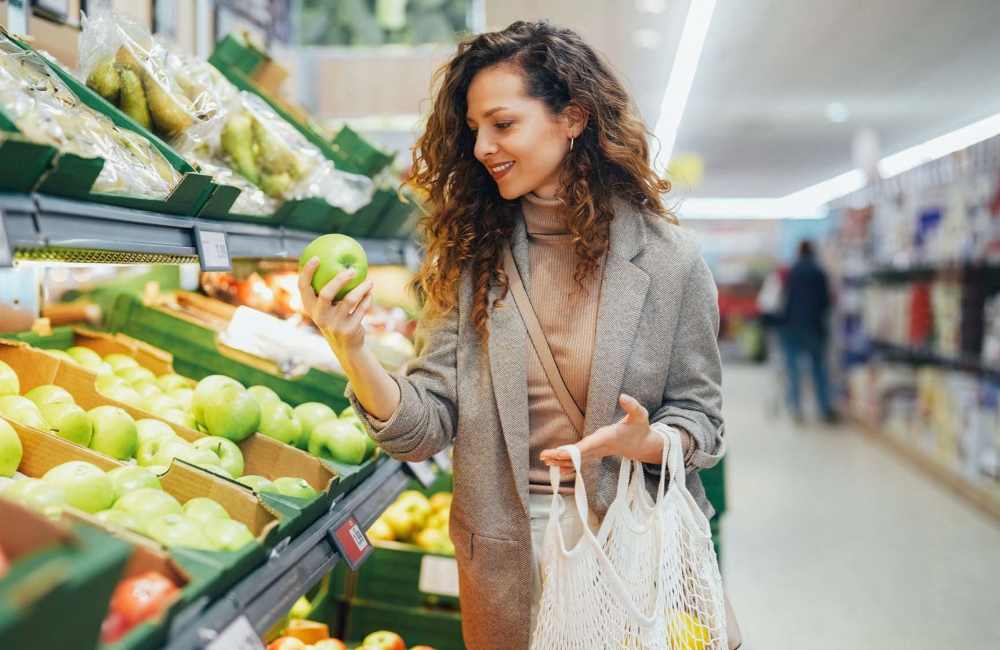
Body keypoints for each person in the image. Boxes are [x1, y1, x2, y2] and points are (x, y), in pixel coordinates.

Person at [298, 21, 725, 650]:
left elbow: (702, 419)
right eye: (474, 129)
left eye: (502, 124)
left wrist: (652, 440)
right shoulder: (469, 259)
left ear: (572, 118)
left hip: (628, 546)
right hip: (506, 556)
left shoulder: (669, 261)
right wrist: (352, 350)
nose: (482, 147)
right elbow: (424, 428)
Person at [780, 239, 837, 423]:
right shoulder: (820, 272)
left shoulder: (792, 272)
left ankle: (797, 409)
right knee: (819, 369)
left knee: (794, 371)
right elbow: (826, 302)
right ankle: (824, 409)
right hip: (814, 327)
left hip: (793, 327)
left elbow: (785, 299)